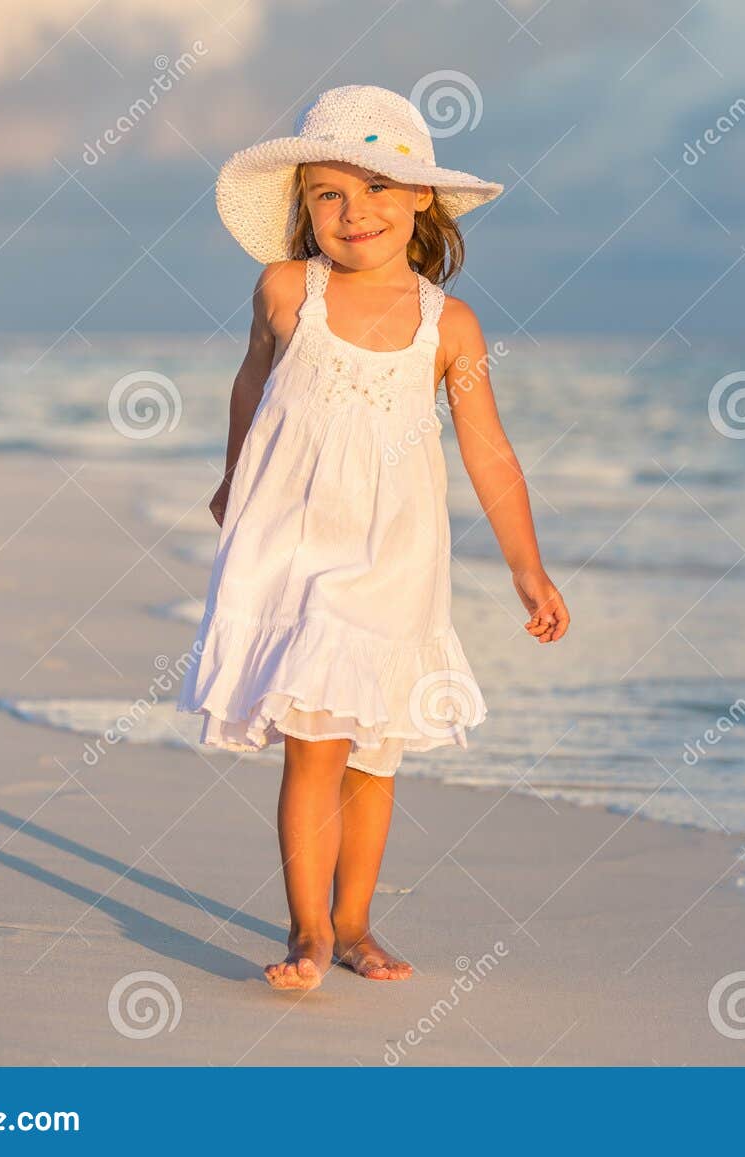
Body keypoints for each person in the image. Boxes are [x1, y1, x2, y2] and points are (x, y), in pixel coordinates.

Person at [178, 84, 570, 991]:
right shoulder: (286, 291)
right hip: (296, 540)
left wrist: (528, 569)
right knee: (314, 733)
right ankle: (308, 929)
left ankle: (355, 921)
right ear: (303, 206)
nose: (355, 214)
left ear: (421, 198)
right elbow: (250, 387)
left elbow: (490, 453)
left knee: (374, 747)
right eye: (329, 195)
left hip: (398, 553)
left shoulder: (449, 325)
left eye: (378, 190)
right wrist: (235, 476)